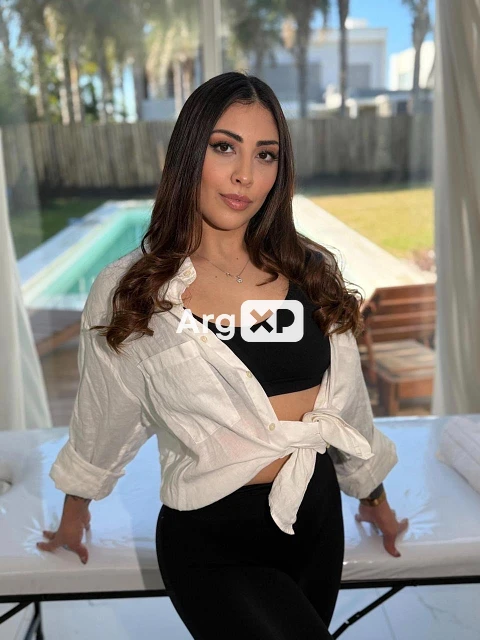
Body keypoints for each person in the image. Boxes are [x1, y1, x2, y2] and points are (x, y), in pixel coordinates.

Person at [37, 71, 408, 639]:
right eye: (224, 147)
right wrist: (74, 512)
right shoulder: (133, 290)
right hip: (211, 543)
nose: (245, 176)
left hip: (314, 522)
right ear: (189, 153)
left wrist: (373, 496)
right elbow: (104, 415)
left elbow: (348, 407)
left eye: (266, 155)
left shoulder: (311, 272)